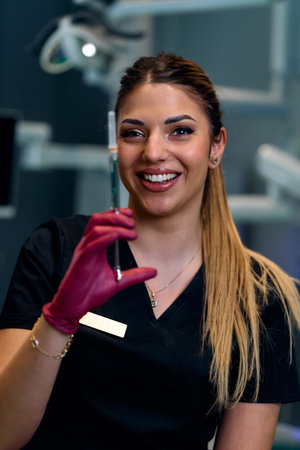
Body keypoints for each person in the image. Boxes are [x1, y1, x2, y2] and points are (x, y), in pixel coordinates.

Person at [0, 52, 300, 450]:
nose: (154, 152)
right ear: (116, 146)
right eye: (134, 133)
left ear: (216, 146)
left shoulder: (262, 299)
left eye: (180, 131)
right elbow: (4, 434)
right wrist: (59, 318)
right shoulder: (57, 249)